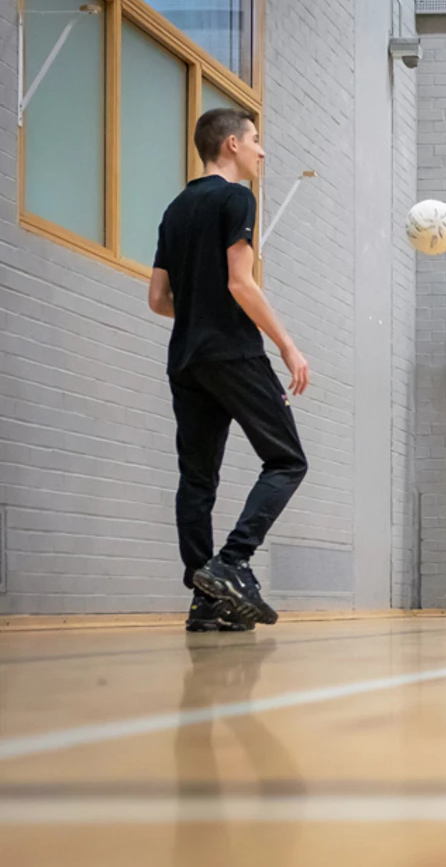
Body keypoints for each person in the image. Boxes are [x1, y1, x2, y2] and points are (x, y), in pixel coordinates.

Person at [148, 108, 309, 631]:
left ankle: (205, 599)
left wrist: (199, 309)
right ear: (232, 145)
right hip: (233, 353)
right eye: (256, 140)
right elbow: (241, 283)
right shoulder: (236, 196)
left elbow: (158, 299)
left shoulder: (175, 208)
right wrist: (287, 346)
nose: (262, 151)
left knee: (197, 479)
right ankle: (232, 563)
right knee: (286, 460)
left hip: (186, 359)